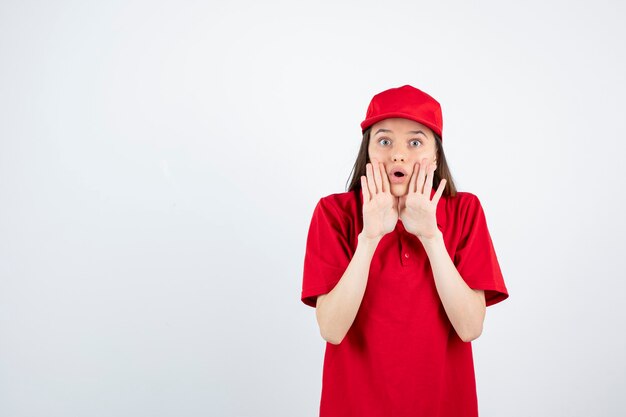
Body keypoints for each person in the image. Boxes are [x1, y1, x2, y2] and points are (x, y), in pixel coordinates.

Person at [300, 85, 509, 417]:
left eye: (415, 142)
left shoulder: (465, 211)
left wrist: (430, 235)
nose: (398, 154)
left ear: (436, 154)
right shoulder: (333, 213)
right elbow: (331, 329)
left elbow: (470, 327)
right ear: (367, 151)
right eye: (384, 141)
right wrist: (368, 238)